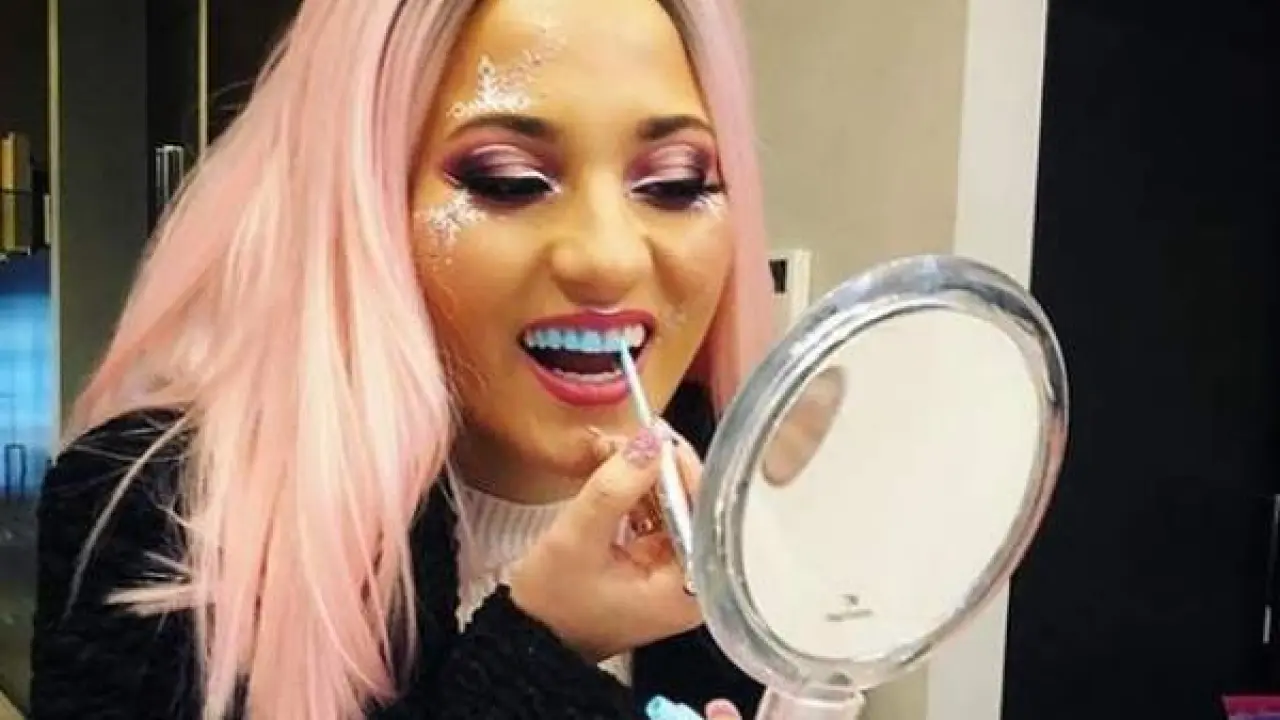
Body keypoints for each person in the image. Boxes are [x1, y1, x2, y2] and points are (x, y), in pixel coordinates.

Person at [28, 0, 774, 717]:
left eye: (675, 184)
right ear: (358, 200)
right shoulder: (165, 514)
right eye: (508, 181)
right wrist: (547, 647)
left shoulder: (762, 530)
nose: (608, 259)